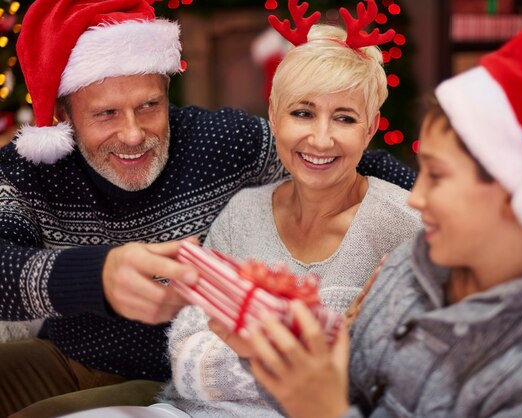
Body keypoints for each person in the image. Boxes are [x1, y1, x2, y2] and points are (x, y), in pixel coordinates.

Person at [0, 0, 416, 416]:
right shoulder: (33, 166)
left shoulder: (220, 143)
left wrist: (445, 206)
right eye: (106, 113)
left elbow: (334, 162)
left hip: (164, 382)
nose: (132, 134)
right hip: (74, 356)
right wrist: (98, 276)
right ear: (62, 113)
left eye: (149, 106)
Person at [242, 25, 522, 417]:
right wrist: (275, 351)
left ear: (513, 198)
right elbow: (346, 381)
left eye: (438, 176)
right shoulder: (407, 265)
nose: (417, 197)